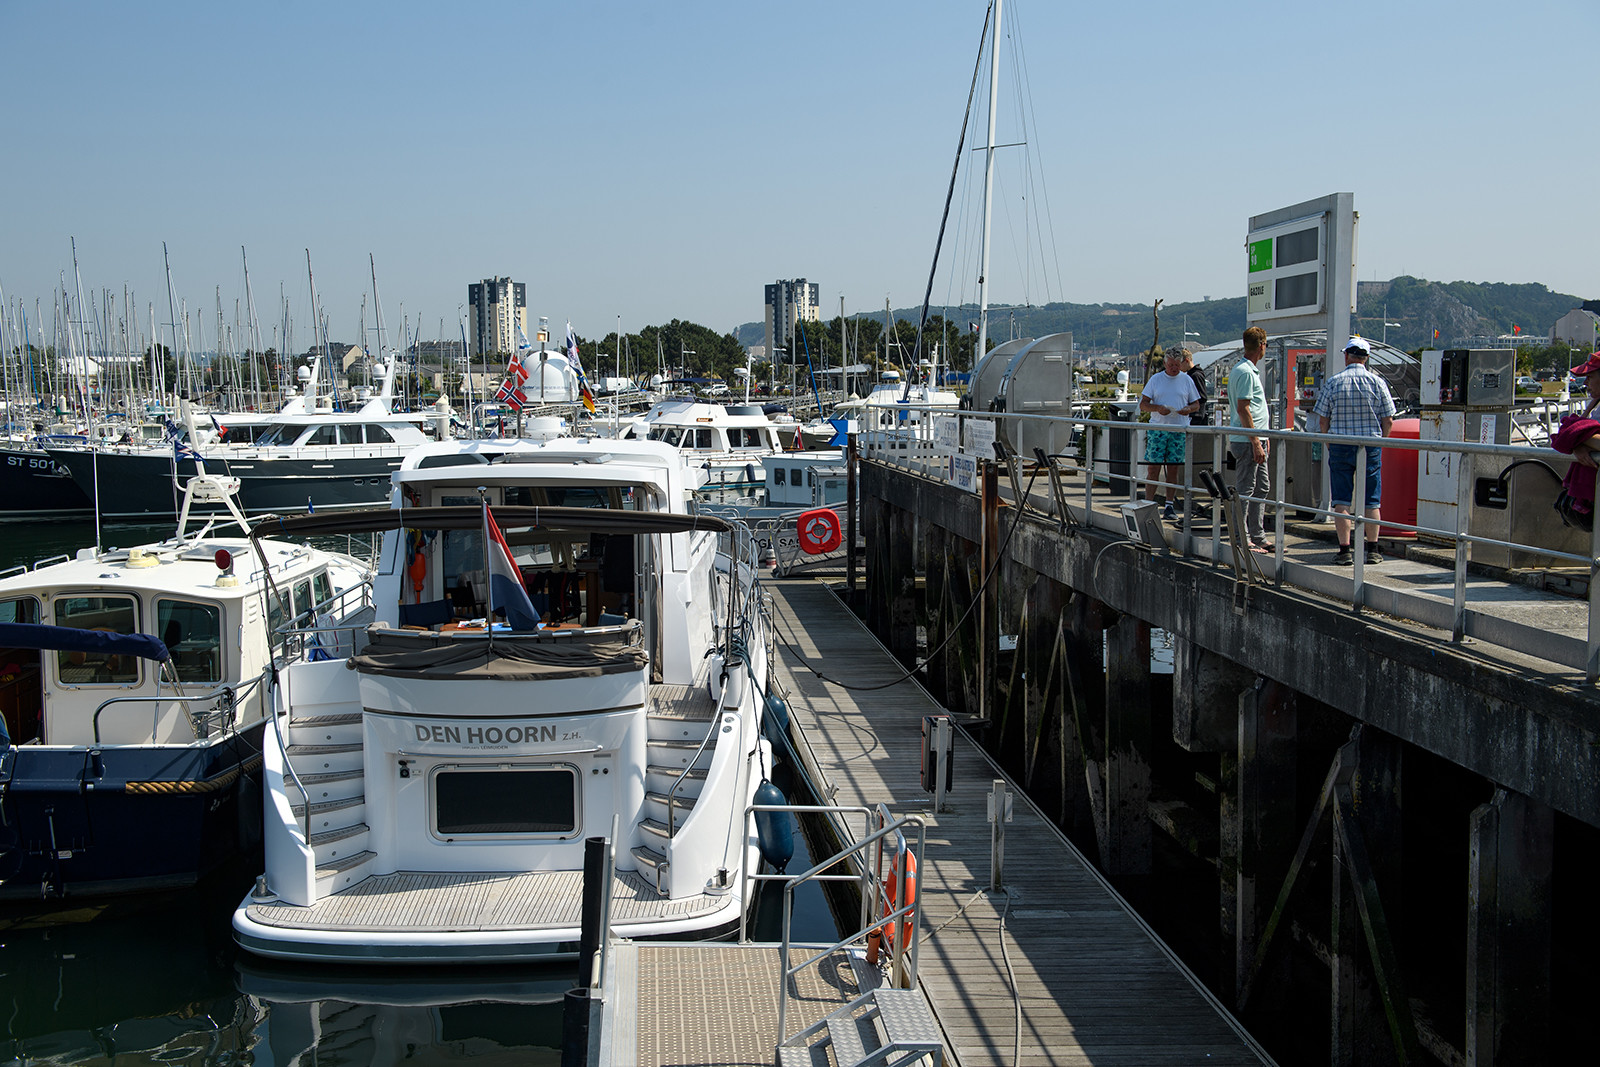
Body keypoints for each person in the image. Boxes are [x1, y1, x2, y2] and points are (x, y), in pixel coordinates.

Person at [1313, 337, 1396, 565]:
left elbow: (1323, 420)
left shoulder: (1334, 382)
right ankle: (1373, 550)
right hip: (1370, 445)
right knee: (1372, 500)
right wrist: (1382, 442)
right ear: (1366, 358)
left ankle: (1344, 550)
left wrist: (1329, 442)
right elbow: (1388, 420)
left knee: (1341, 499)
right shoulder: (1378, 383)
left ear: (1346, 356)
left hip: (1340, 444)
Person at [1138, 347, 1203, 522]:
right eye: (1171, 365)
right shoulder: (1156, 379)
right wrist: (1158, 408)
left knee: (1173, 468)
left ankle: (1169, 505)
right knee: (1153, 468)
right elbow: (1143, 404)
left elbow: (1196, 403)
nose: (1174, 368)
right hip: (1158, 428)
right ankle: (1148, 503)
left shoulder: (1186, 380)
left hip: (1178, 428)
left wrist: (1188, 409)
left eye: (1176, 365)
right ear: (1166, 363)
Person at [1227, 327, 1273, 552]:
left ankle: (1257, 535)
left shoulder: (1245, 370)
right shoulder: (1245, 372)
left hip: (1255, 438)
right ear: (1262, 345)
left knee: (1261, 487)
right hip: (1247, 440)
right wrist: (1256, 441)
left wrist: (1263, 437)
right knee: (1246, 488)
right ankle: (1241, 538)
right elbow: (1244, 408)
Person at [1550, 352, 1600, 530]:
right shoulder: (1595, 404)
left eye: (1590, 376)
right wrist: (1577, 444)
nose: (1585, 383)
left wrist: (1578, 438)